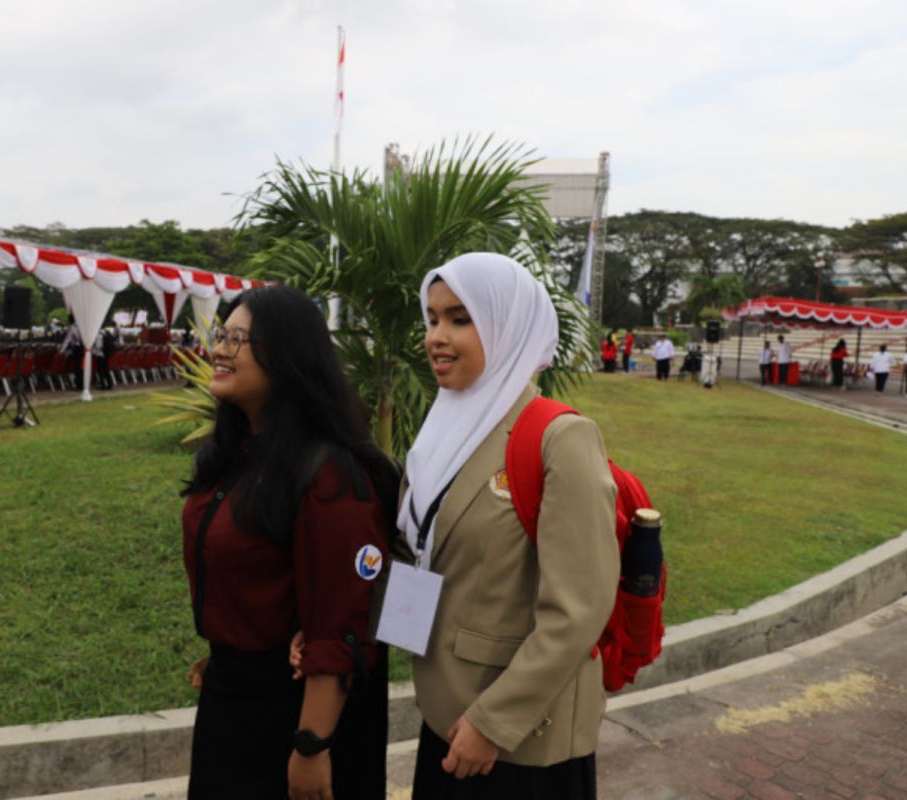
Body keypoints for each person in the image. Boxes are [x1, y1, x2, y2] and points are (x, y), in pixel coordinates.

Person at [396, 252, 618, 799]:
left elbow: (577, 609)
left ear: (507, 326)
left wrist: (493, 723)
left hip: (518, 742)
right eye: (431, 318)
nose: (436, 337)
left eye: (459, 319)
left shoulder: (558, 437)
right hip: (444, 714)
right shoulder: (443, 427)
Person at [181, 285, 396, 799]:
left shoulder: (328, 474)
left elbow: (341, 623)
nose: (220, 350)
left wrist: (311, 745)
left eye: (239, 339)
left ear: (288, 357)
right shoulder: (240, 453)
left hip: (292, 717)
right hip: (232, 699)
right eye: (221, 334)